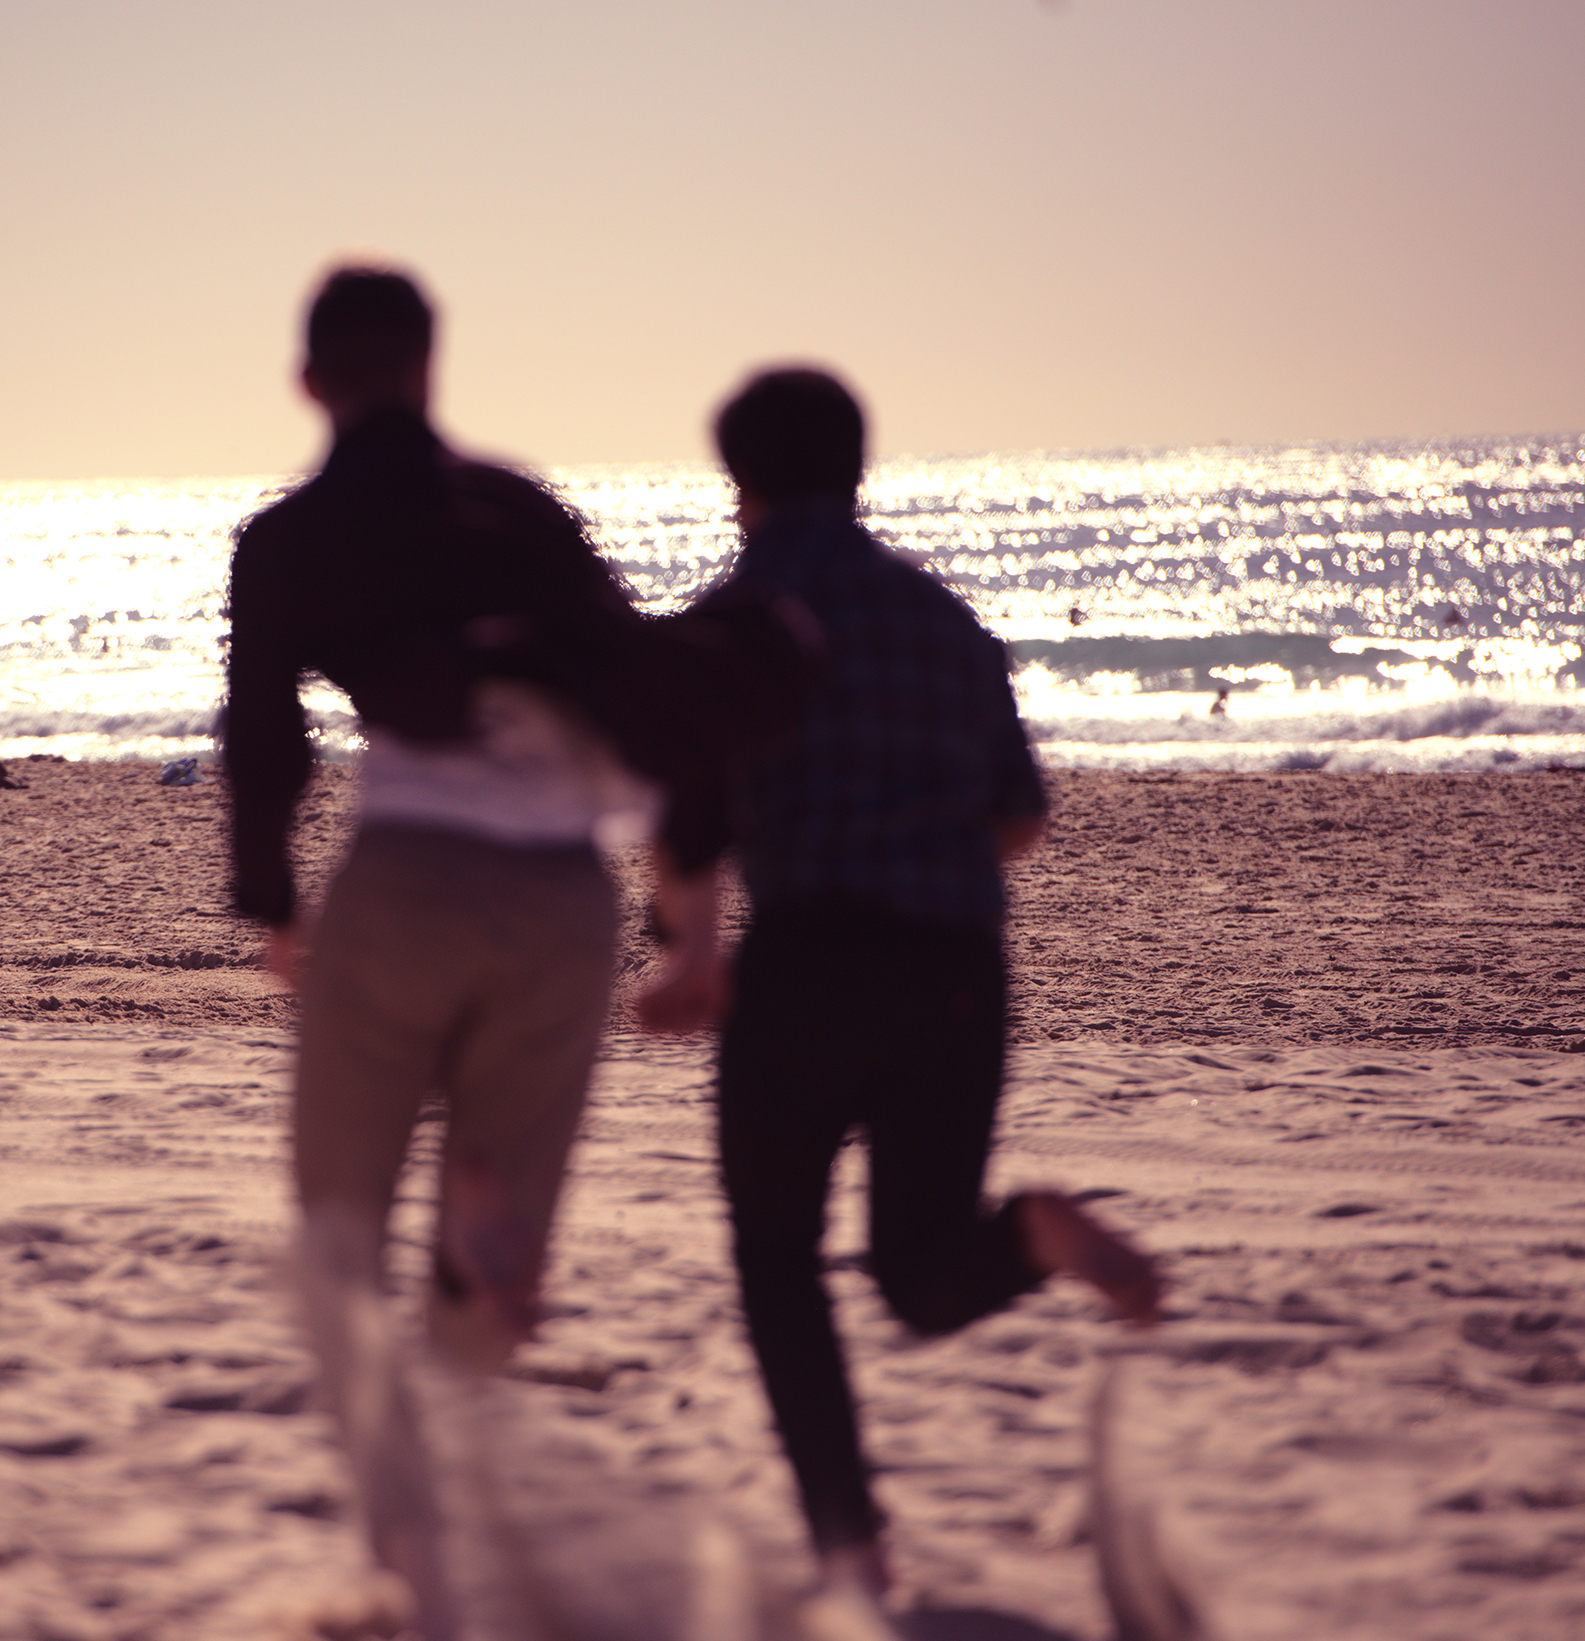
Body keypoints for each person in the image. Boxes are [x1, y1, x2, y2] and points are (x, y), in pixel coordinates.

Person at [225, 268, 802, 1638]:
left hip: (406, 875)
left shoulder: (293, 537)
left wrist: (273, 906)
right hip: (561, 902)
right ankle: (484, 1225)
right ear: (431, 368)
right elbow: (650, 696)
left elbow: (265, 733)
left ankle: (412, 1565)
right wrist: (690, 931)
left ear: (310, 382)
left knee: (336, 1232)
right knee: (501, 1208)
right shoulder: (519, 509)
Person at [640, 368, 1161, 1601]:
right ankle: (1034, 1233)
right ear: (857, 469)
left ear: (740, 486)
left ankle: (848, 1540)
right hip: (950, 970)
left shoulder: (738, 619)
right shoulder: (943, 621)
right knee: (922, 1272)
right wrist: (912, 847)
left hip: (805, 963)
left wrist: (691, 953)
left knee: (777, 1258)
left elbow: (686, 824)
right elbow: (1020, 818)